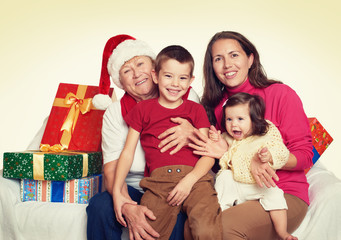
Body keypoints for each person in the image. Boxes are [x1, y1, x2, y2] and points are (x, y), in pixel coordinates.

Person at [188, 31, 313, 239]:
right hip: (238, 194)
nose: (227, 64)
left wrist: (268, 160)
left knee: (222, 228)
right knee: (192, 228)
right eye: (218, 59)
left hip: (281, 195)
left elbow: (305, 155)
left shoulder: (280, 94)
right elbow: (224, 164)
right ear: (212, 68)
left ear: (250, 59)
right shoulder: (214, 108)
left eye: (234, 55)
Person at [86, 35, 200, 240]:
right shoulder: (115, 112)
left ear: (155, 69)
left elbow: (206, 143)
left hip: (175, 184)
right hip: (134, 186)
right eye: (127, 71)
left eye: (140, 64)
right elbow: (111, 168)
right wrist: (127, 205)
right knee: (99, 206)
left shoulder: (185, 96)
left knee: (174, 216)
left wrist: (192, 132)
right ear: (121, 82)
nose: (137, 73)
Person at [112, 45, 222, 240]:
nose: (175, 84)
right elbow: (127, 153)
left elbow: (207, 154)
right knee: (147, 233)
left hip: (196, 180)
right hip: (158, 184)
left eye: (182, 78)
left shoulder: (196, 110)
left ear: (191, 81)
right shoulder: (142, 110)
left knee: (206, 230)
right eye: (168, 76)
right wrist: (117, 190)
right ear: (156, 76)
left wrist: (189, 181)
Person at [209, 92, 297, 240]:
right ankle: (222, 212)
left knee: (275, 193)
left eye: (240, 119)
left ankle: (282, 232)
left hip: (257, 184)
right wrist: (216, 139)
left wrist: (269, 156)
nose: (233, 124)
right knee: (224, 177)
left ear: (254, 120)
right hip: (235, 183)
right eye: (229, 119)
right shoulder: (227, 137)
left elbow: (281, 151)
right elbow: (223, 155)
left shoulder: (264, 135)